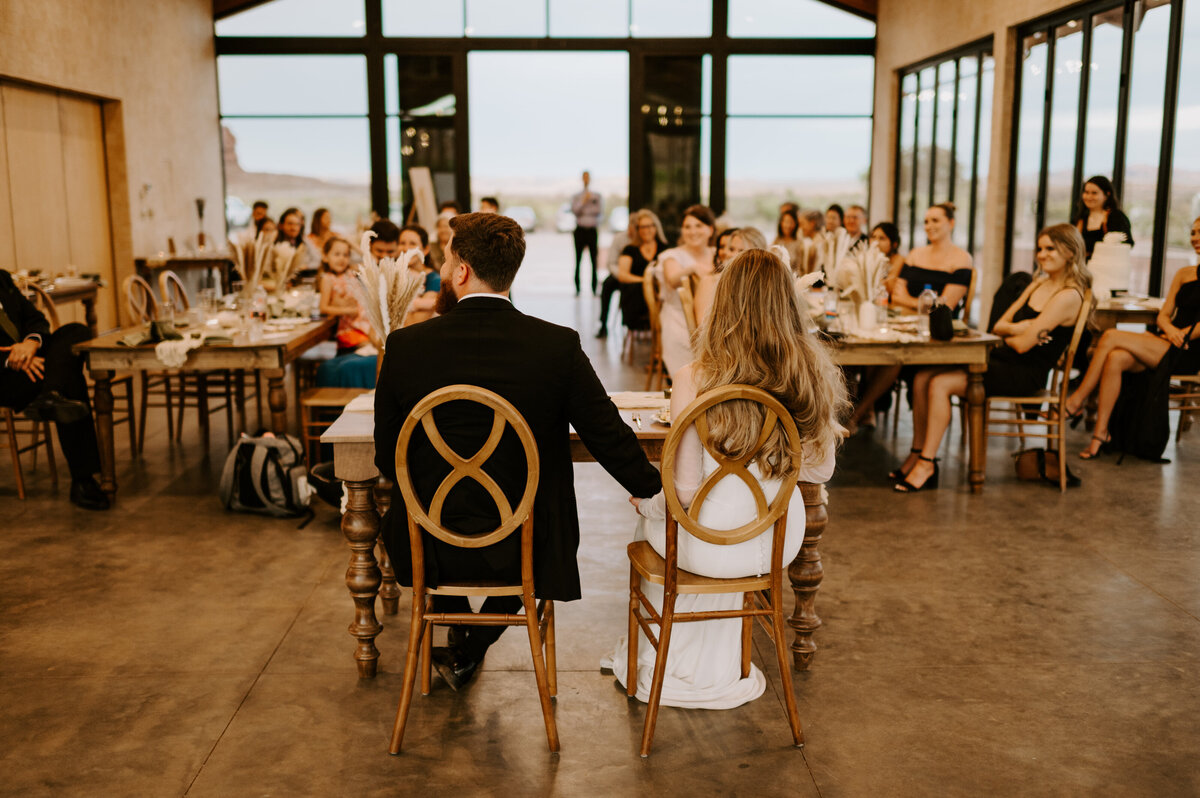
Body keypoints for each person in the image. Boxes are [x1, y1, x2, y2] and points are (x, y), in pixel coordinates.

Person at [375, 212, 661, 690]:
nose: (444, 269)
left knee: (414, 516)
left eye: (446, 260)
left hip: (430, 543)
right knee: (535, 513)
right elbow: (605, 433)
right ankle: (470, 641)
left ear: (462, 271)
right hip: (527, 547)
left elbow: (389, 457)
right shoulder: (556, 347)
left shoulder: (405, 347)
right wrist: (652, 491)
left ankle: (457, 632)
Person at [601, 248, 844, 708]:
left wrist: (647, 504)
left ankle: (667, 661)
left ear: (725, 304)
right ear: (788, 306)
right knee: (684, 522)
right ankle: (714, 664)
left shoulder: (695, 377)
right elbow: (821, 471)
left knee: (652, 524)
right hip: (775, 543)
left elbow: (686, 493)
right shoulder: (811, 374)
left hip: (707, 544)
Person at [894, 224, 1089, 492]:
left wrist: (1019, 333)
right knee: (922, 377)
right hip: (1003, 360)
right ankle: (916, 454)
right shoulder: (1038, 283)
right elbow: (999, 325)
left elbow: (1022, 347)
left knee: (940, 384)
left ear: (1070, 252)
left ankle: (927, 464)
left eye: (1050, 249)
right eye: (1040, 248)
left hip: (1024, 373)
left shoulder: (1068, 296)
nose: (1042, 255)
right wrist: (1023, 328)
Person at [1063, 216, 1200, 459]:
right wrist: (1170, 330)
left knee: (1111, 336)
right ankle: (1100, 433)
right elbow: (1163, 315)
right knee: (1116, 357)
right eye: (1193, 233)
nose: (1195, 239)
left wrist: (1179, 335)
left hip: (1190, 349)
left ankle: (1076, 401)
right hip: (1167, 340)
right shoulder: (1184, 273)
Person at [0, 270, 108, 510]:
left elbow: (36, 319)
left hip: (31, 361)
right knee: (69, 376)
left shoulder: (2, 279)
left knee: (77, 332)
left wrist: (30, 344)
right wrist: (12, 359)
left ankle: (51, 395)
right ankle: (83, 481)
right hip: (4, 375)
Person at [844, 223, 907, 432]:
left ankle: (860, 411)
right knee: (855, 354)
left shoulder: (898, 261)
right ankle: (863, 410)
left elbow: (887, 287)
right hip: (874, 314)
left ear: (894, 243)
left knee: (884, 356)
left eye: (882, 238)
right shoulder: (869, 260)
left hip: (892, 316)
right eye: (873, 237)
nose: (876, 242)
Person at [659, 205, 717, 376]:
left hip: (715, 318)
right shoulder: (672, 255)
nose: (693, 232)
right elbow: (672, 279)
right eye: (687, 227)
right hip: (680, 319)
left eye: (698, 226)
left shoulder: (718, 253)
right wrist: (692, 268)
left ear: (710, 229)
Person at [892, 203, 973, 315]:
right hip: (905, 320)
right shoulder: (914, 254)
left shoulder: (962, 258)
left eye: (935, 220)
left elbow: (945, 306)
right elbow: (897, 296)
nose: (929, 226)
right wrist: (928, 303)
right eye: (926, 222)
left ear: (951, 223)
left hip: (939, 327)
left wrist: (909, 301)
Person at [613, 209, 667, 333]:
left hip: (659, 293)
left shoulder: (664, 249)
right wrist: (645, 281)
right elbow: (623, 275)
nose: (646, 230)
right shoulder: (629, 249)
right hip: (636, 295)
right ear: (637, 230)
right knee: (637, 290)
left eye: (649, 226)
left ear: (655, 227)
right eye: (642, 227)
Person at [317, 238, 372, 354]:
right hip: (350, 328)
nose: (341, 258)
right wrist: (347, 310)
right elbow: (323, 307)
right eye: (337, 254)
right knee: (374, 350)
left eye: (346, 255)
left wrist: (349, 241)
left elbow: (371, 261)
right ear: (325, 257)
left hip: (365, 322)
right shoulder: (328, 279)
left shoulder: (350, 272)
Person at [1073, 175, 1133, 259]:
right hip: (1082, 269)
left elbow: (1127, 244)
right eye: (1086, 192)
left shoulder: (1116, 217)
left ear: (1107, 194)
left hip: (1106, 268)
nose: (1089, 197)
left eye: (1094, 193)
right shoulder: (1080, 218)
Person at [596, 214, 636, 338]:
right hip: (618, 272)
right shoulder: (619, 238)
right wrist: (621, 275)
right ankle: (603, 324)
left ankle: (630, 322)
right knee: (607, 286)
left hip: (635, 274)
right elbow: (611, 262)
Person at [398, 223, 439, 327]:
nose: (406, 248)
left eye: (412, 244)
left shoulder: (434, 280)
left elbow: (413, 324)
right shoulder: (395, 275)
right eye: (402, 243)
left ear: (425, 249)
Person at [570, 170, 603, 296]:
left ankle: (594, 288)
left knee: (593, 260)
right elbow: (575, 210)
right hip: (580, 231)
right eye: (584, 177)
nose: (586, 179)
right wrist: (584, 201)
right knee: (578, 260)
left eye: (587, 177)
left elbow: (598, 210)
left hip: (592, 231)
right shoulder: (577, 196)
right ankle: (577, 288)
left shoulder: (596, 195)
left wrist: (585, 209)